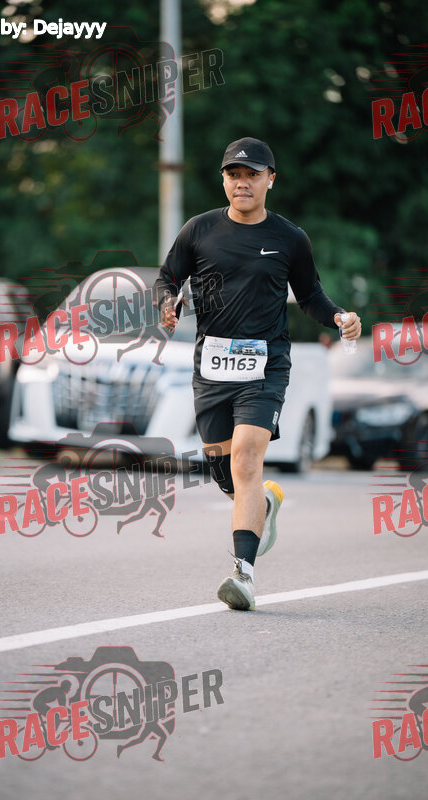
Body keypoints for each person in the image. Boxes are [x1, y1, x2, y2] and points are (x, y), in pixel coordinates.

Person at [153, 137, 361, 611]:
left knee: (247, 462)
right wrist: (168, 302)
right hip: (212, 368)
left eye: (252, 174)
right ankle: (262, 504)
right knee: (227, 476)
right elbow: (168, 277)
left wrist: (339, 317)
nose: (242, 183)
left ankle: (243, 574)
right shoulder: (199, 230)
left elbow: (310, 296)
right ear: (223, 179)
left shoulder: (290, 238)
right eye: (234, 174)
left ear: (271, 180)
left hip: (265, 367)